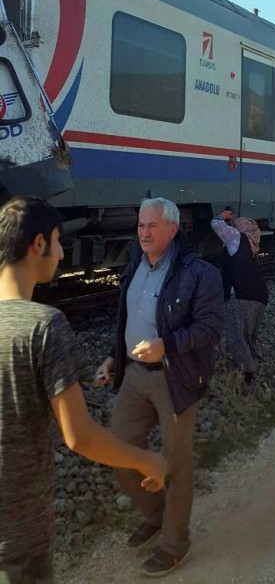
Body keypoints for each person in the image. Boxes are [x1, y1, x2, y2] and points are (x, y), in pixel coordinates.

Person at [0, 196, 165, 584]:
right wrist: (146, 461)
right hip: (17, 536)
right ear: (38, 244)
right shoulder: (43, 326)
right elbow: (80, 437)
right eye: (58, 241)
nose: (60, 252)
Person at [96, 197, 224, 578]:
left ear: (172, 228)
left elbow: (211, 329)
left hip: (175, 375)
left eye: (152, 226)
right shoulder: (135, 263)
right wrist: (114, 358)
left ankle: (175, 543)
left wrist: (166, 345)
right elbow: (129, 319)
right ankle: (156, 516)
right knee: (118, 451)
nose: (144, 233)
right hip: (134, 373)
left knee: (175, 463)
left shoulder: (200, 273)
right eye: (140, 226)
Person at [210, 210, 268, 384]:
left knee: (236, 336)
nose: (232, 226)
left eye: (235, 224)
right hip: (260, 296)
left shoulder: (237, 238)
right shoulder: (251, 243)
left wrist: (222, 216)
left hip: (242, 295)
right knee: (248, 336)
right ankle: (251, 365)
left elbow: (216, 224)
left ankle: (247, 375)